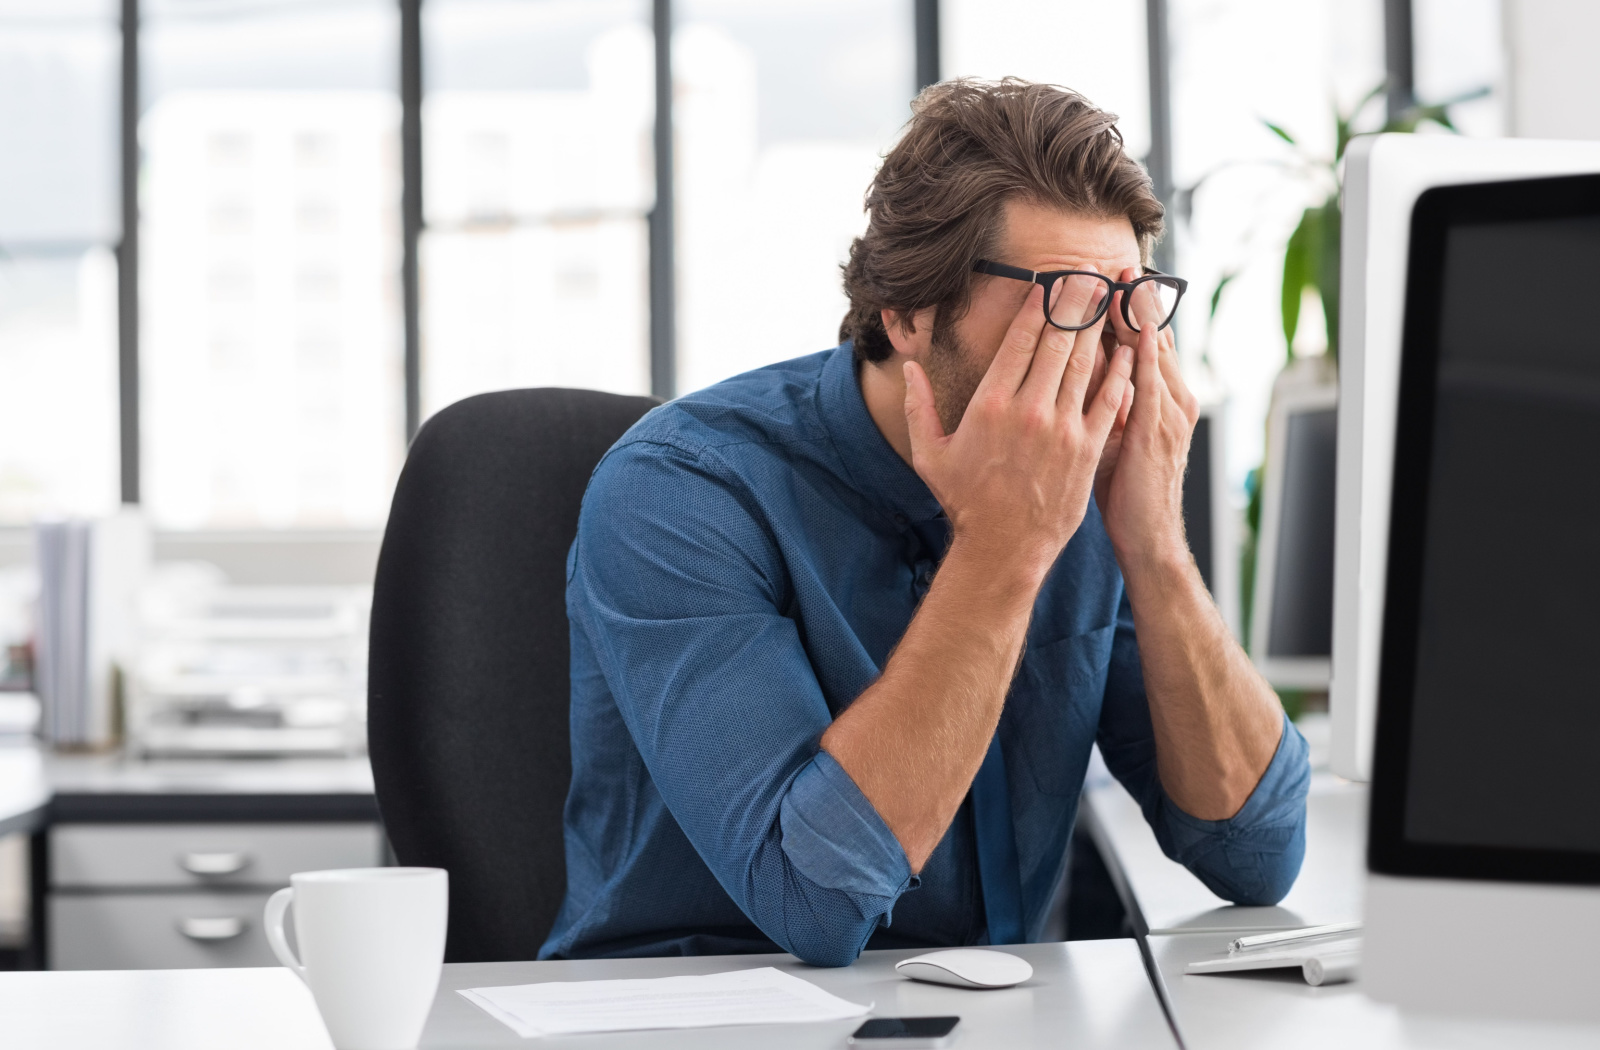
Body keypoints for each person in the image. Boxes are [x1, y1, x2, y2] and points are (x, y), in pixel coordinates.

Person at [540, 78, 1309, 966]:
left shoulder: (1094, 485)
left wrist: (1155, 547)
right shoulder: (680, 492)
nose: (1103, 358)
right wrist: (1005, 548)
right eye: (1064, 301)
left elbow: (1256, 854)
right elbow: (814, 903)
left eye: (1128, 307)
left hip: (998, 1015)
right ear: (908, 312)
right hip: (699, 1014)